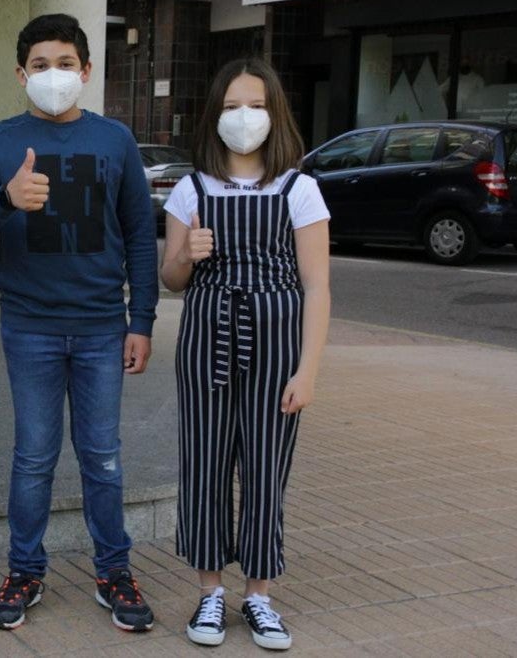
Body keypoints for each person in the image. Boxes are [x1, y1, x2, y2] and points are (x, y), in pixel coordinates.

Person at [0, 13, 159, 633]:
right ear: (21, 74)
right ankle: (24, 571)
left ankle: (114, 572)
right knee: (34, 456)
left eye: (65, 64)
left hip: (101, 327)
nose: (53, 75)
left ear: (87, 71)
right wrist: (7, 198)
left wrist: (141, 320)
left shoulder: (116, 140)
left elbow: (142, 238)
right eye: (40, 65)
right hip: (30, 326)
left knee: (103, 457)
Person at [159, 57, 330, 651]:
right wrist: (189, 253)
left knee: (265, 469)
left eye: (255, 105)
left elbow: (317, 286)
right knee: (204, 463)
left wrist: (307, 370)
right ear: (214, 115)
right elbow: (170, 279)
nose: (243, 117)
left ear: (274, 112)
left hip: (278, 344)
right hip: (207, 339)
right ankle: (210, 592)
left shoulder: (299, 189)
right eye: (231, 106)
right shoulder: (191, 187)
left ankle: (259, 595)